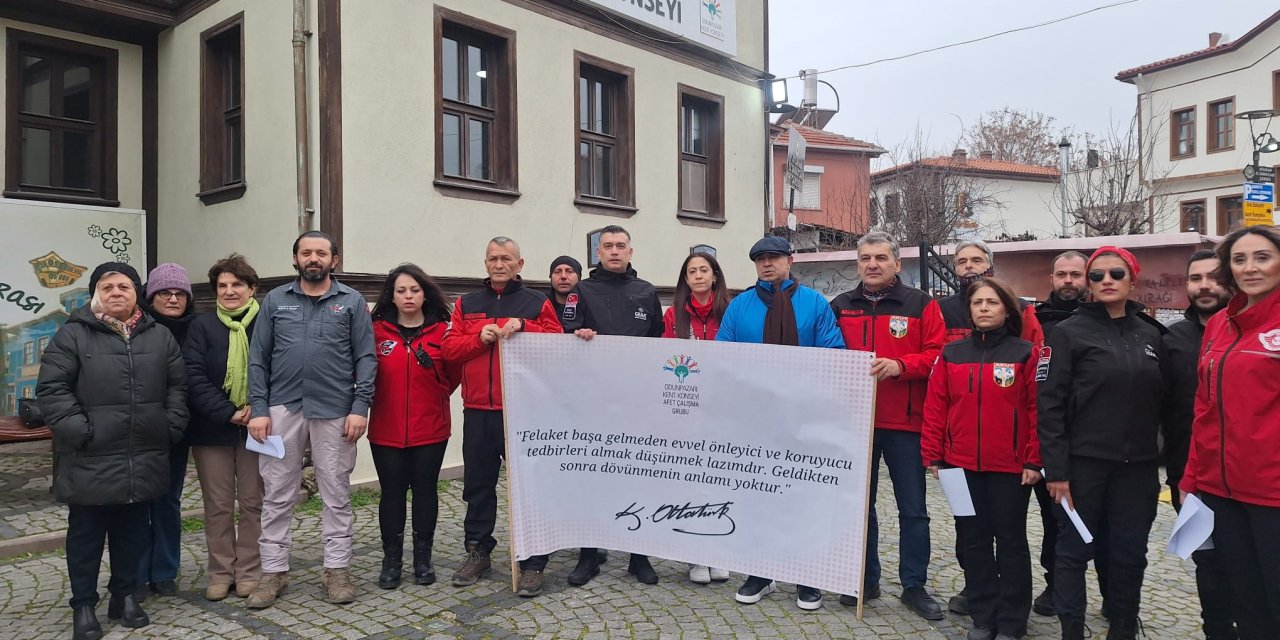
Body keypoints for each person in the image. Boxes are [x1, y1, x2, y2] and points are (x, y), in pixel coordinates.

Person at [36, 262, 188, 640]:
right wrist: (80, 431)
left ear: (137, 293)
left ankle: (124, 597)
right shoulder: (72, 335)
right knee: (86, 535)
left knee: (132, 531)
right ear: (96, 294)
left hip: (143, 453)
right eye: (108, 286)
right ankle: (84, 605)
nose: (116, 292)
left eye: (124, 285)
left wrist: (167, 428)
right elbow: (52, 390)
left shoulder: (159, 337)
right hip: (91, 454)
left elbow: (177, 389)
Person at [1038, 246, 1169, 640]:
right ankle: (1073, 631)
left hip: (1139, 467)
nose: (1106, 281)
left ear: (1132, 279)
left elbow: (1168, 402)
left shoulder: (1153, 334)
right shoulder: (1067, 333)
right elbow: (1050, 405)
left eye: (1116, 274)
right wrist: (1057, 471)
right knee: (1073, 551)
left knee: (1129, 554)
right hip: (1083, 466)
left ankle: (1124, 627)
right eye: (1097, 276)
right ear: (1089, 285)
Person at [245, 231, 376, 609]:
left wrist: (359, 407)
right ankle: (273, 572)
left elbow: (366, 358)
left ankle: (337, 569)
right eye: (306, 252)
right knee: (277, 491)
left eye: (321, 252)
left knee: (335, 491)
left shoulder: (350, 302)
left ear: (334, 260)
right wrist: (259, 408)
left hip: (336, 409)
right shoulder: (275, 301)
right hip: (281, 408)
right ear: (296, 259)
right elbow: (259, 357)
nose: (313, 258)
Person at [716, 236, 845, 610]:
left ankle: (807, 573)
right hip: (755, 418)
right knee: (758, 495)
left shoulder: (815, 305)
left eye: (774, 258)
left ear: (790, 261)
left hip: (803, 417)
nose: (767, 264)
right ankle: (762, 571)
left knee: (804, 495)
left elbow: (832, 355)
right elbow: (723, 358)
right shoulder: (740, 307)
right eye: (760, 259)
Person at [829, 230, 946, 621]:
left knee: (913, 509)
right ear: (858, 264)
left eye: (881, 258)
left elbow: (938, 357)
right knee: (862, 509)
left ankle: (914, 585)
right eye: (866, 259)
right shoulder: (842, 305)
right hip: (857, 421)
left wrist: (901, 365)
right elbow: (828, 354)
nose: (873, 265)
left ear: (897, 263)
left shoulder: (921, 304)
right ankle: (866, 578)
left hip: (906, 425)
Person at [922, 277, 1042, 640]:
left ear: (1007, 308)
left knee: (1010, 542)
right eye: (978, 303)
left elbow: (1038, 409)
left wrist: (1034, 460)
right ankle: (984, 615)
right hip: (959, 466)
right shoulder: (951, 354)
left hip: (1009, 468)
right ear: (970, 310)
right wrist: (933, 456)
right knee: (972, 541)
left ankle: (1012, 620)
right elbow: (936, 406)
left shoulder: (1025, 352)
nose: (985, 308)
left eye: (992, 302)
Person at [441, 238, 562, 597]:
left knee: (529, 488)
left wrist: (525, 326)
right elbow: (449, 350)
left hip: (523, 410)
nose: (499, 264)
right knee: (478, 486)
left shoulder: (536, 302)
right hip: (478, 409)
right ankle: (478, 550)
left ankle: (533, 561)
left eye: (506, 258)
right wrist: (478, 338)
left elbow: (558, 342)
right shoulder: (467, 303)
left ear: (519, 263)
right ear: (485, 262)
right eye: (493, 258)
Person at [1181, 226, 1280, 640]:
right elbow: (1204, 409)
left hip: (1272, 494)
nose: (1250, 268)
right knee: (1245, 601)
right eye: (1239, 259)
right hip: (1222, 493)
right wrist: (1191, 478)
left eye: (1262, 256)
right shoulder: (1220, 323)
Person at [562, 224, 664, 586]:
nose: (615, 251)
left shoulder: (647, 292)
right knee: (593, 477)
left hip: (637, 402)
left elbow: (658, 345)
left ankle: (639, 556)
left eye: (621, 245)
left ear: (631, 252)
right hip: (594, 402)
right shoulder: (581, 291)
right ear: (599, 254)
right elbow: (566, 335)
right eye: (608, 246)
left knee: (639, 476)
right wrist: (579, 335)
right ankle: (589, 555)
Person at [370, 265, 461, 590]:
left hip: (430, 429)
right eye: (401, 291)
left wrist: (431, 399)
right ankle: (391, 560)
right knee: (392, 494)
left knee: (425, 492)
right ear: (391, 296)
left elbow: (452, 376)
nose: (408, 296)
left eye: (414, 290)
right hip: (386, 429)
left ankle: (423, 559)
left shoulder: (443, 332)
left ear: (425, 294)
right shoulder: (375, 331)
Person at [1163, 249, 1236, 640]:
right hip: (1189, 476)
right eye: (1195, 278)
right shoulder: (1171, 338)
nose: (1204, 285)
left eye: (1213, 276)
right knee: (1208, 564)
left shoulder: (1252, 332)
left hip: (1249, 476)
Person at [183, 255, 265, 602]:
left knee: (252, 502)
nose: (230, 291)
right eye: (223, 286)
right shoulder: (201, 327)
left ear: (251, 289)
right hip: (212, 429)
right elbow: (193, 376)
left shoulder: (267, 322)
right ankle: (220, 571)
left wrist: (256, 409)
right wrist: (228, 411)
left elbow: (279, 368)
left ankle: (249, 570)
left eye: (237, 285)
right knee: (217, 505)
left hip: (258, 428)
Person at [661, 251, 732, 585]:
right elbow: (664, 358)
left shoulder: (731, 311)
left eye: (704, 270)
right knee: (690, 482)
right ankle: (693, 555)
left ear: (715, 276)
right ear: (685, 279)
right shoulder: (674, 316)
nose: (699, 276)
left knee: (719, 480)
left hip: (723, 410)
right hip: (686, 409)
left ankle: (718, 551)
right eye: (692, 271)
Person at [1030, 250, 1089, 617]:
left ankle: (1112, 590)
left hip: (1094, 438)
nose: (1068, 281)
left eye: (1076, 275)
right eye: (1062, 275)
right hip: (1048, 436)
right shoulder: (1036, 321)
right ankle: (1056, 584)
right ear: (1051, 280)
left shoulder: (1105, 318)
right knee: (1053, 520)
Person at [137, 262, 196, 599]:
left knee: (167, 502)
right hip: (138, 431)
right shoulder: (138, 328)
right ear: (150, 296)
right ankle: (137, 571)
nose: (172, 299)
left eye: (179, 294)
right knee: (137, 504)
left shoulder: (196, 329)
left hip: (176, 431)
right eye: (164, 293)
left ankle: (164, 570)